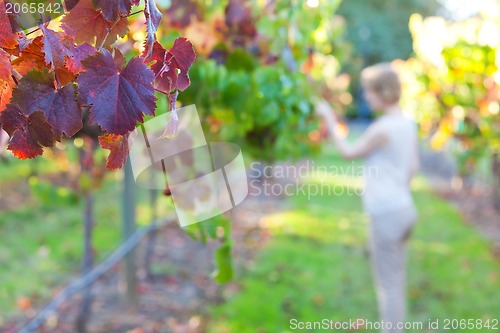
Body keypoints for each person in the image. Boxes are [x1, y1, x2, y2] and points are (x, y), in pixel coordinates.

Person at [316, 62, 419, 333]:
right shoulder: (407, 124)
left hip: (386, 214)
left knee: (388, 287)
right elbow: (412, 167)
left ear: (383, 92)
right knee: (396, 279)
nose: (366, 97)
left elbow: (348, 153)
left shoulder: (382, 128)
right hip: (405, 209)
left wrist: (328, 118)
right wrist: (397, 186)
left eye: (369, 91)